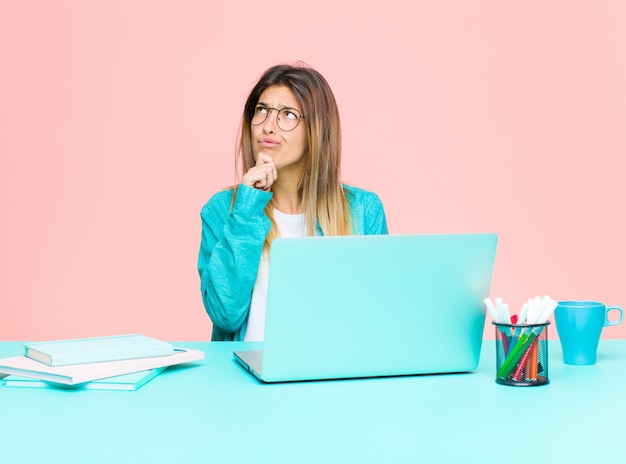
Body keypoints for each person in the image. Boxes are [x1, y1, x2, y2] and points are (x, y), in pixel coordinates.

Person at [198, 63, 388, 341]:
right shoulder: (223, 209)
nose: (268, 126)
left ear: (317, 131)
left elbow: (378, 314)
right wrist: (248, 208)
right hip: (243, 380)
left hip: (332, 377)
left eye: (288, 115)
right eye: (261, 110)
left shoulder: (363, 210)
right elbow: (225, 315)